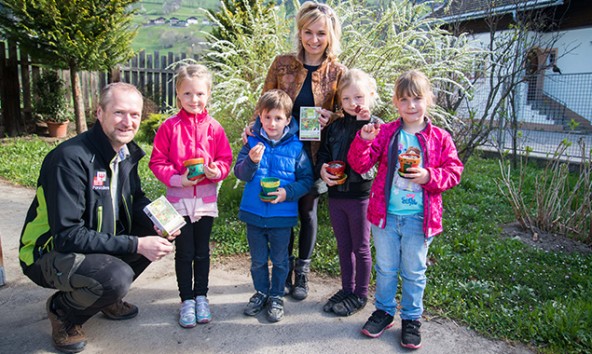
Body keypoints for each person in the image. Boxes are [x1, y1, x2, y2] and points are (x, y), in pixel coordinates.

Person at [19, 82, 176, 353]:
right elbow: (68, 235)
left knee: (152, 232)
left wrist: (162, 220)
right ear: (99, 112)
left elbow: (135, 198)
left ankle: (102, 298)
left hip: (88, 243)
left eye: (135, 114)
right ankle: (64, 312)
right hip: (46, 253)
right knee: (116, 277)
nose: (128, 122)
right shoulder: (69, 160)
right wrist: (137, 245)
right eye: (119, 113)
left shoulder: (125, 154)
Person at [347, 70, 464, 349]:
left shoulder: (440, 137)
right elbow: (359, 164)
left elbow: (454, 171)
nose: (411, 106)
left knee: (413, 271)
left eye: (417, 99)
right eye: (404, 99)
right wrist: (363, 139)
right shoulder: (386, 132)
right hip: (385, 217)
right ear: (395, 103)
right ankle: (385, 311)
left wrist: (428, 177)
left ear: (429, 100)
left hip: (419, 219)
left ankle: (411, 318)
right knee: (386, 268)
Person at [244, 0, 347, 300]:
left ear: (330, 36)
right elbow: (265, 103)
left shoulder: (337, 72)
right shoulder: (282, 64)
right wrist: (253, 129)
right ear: (300, 32)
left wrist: (334, 116)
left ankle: (301, 273)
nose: (314, 39)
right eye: (308, 32)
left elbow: (348, 112)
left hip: (316, 154)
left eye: (321, 33)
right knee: (282, 208)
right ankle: (283, 270)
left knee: (307, 210)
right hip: (280, 153)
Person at [149, 64, 233, 328]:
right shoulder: (169, 127)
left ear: (208, 95)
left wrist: (215, 170)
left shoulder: (215, 128)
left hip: (206, 201)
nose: (193, 100)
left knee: (202, 252)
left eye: (199, 94)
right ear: (178, 95)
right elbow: (157, 161)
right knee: (184, 253)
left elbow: (225, 159)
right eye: (187, 94)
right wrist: (178, 179)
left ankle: (201, 297)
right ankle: (186, 300)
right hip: (178, 202)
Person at [235, 89, 313, 322]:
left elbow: (306, 180)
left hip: (282, 216)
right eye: (267, 117)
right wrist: (251, 161)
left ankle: (277, 295)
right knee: (258, 260)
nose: (272, 123)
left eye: (278, 118)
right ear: (260, 116)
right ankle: (260, 292)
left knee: (280, 261)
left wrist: (286, 193)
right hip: (254, 214)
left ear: (288, 120)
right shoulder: (251, 141)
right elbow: (240, 173)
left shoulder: (297, 147)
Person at [316, 69, 383, 317]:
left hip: (361, 196)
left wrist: (365, 125)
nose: (353, 103)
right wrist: (322, 169)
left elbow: (377, 160)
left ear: (370, 96)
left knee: (361, 247)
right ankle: (347, 288)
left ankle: (361, 294)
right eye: (346, 99)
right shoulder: (334, 128)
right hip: (336, 195)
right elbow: (323, 154)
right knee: (343, 245)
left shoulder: (375, 126)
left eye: (359, 97)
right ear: (339, 102)